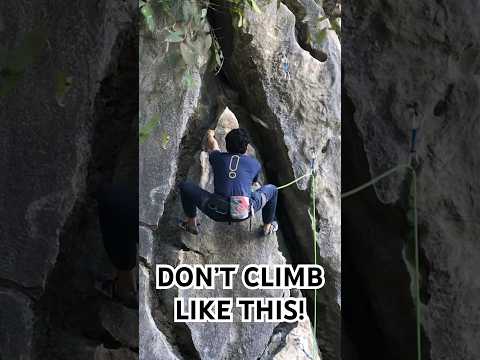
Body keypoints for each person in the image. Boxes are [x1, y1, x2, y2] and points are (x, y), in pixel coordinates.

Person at [178, 128, 279, 236]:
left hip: (215, 211)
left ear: (226, 145)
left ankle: (191, 222)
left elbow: (213, 146)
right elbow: (254, 182)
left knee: (185, 186)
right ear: (246, 147)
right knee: (272, 189)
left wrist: (210, 135)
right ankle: (267, 227)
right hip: (243, 212)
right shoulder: (254, 164)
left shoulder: (217, 158)